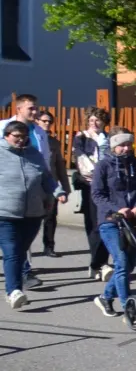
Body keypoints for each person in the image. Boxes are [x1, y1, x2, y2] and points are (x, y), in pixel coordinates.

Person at [1, 120, 67, 309]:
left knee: (21, 251)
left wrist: (58, 192)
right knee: (12, 251)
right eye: (16, 137)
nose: (21, 140)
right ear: (7, 136)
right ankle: (13, 292)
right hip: (5, 213)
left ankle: (16, 285)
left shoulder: (34, 154)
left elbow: (46, 178)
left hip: (33, 213)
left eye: (24, 137)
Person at [90, 127, 136, 318]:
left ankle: (105, 297)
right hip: (110, 222)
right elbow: (97, 195)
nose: (126, 149)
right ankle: (128, 307)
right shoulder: (103, 166)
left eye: (128, 145)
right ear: (113, 146)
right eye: (121, 145)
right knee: (122, 262)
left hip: (133, 222)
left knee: (129, 264)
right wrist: (116, 209)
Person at [72, 108, 112, 279]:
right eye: (91, 121)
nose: (94, 124)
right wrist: (96, 176)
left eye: (98, 121)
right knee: (94, 224)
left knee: (107, 222)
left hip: (108, 185)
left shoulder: (109, 138)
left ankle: (99, 263)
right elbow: (80, 158)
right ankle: (99, 263)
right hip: (90, 184)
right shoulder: (81, 137)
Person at [34, 109, 68, 257]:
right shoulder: (30, 138)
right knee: (31, 219)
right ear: (37, 121)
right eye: (44, 121)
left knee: (50, 217)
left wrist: (65, 188)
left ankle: (49, 246)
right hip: (34, 184)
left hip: (51, 184)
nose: (47, 124)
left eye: (49, 121)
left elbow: (59, 165)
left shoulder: (54, 142)